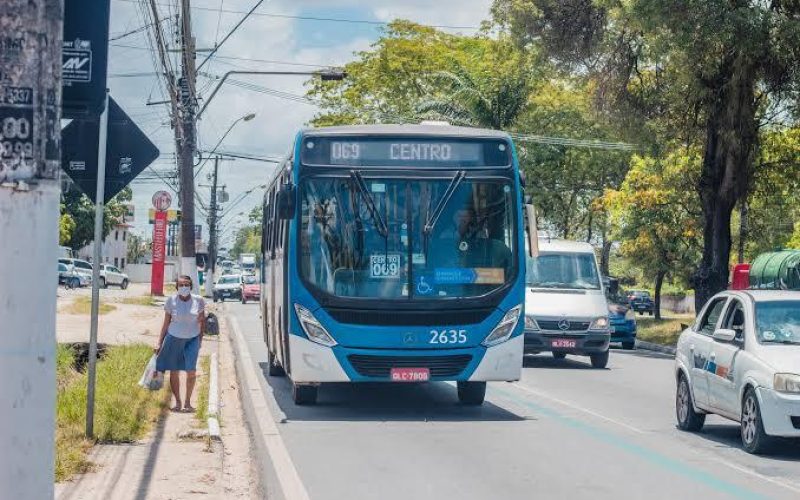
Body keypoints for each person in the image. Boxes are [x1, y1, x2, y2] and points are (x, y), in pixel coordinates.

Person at [155, 275, 206, 412]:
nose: (184, 287)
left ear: (191, 286)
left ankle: (188, 402)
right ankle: (178, 402)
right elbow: (166, 323)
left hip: (192, 339)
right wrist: (159, 343)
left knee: (191, 371)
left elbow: (202, 321)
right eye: (181, 285)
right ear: (177, 287)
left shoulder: (199, 301)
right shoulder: (171, 301)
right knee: (174, 371)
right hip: (174, 338)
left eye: (187, 284)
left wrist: (200, 340)